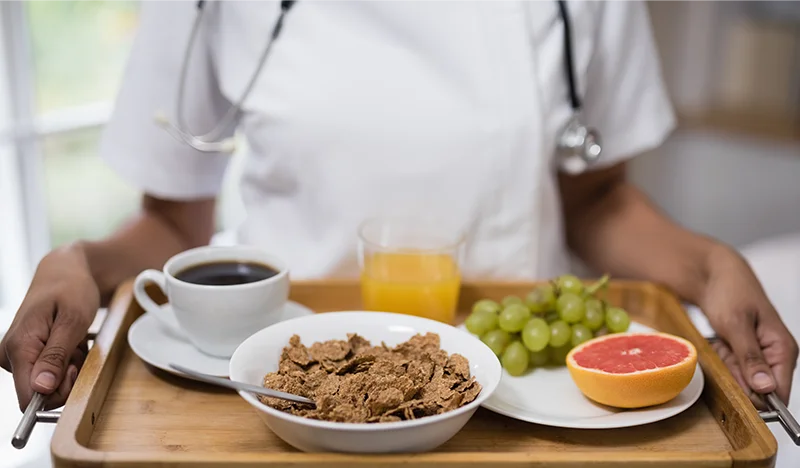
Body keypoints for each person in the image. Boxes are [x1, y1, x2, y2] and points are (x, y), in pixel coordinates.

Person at [1, 0, 796, 412]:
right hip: (284, 401)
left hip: (523, 404)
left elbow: (596, 200)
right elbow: (174, 228)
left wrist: (709, 264)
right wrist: (76, 261)